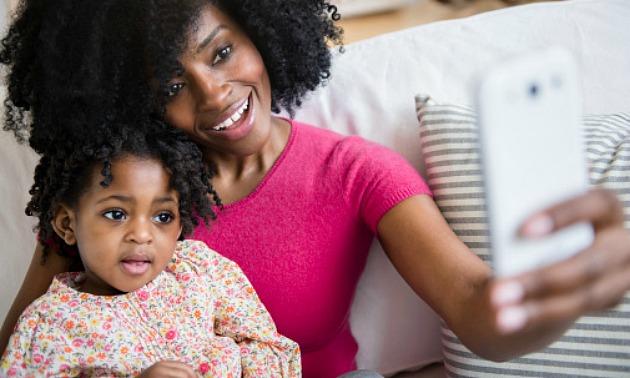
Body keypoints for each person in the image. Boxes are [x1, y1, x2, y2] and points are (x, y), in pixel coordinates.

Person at [1, 0, 629, 377]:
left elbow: (477, 307)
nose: (214, 92)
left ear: (259, 29)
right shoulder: (113, 198)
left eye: (220, 54)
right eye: (170, 86)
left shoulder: (355, 171)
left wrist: (553, 297)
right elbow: (22, 352)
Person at [0, 123, 300, 377]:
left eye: (163, 217)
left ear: (180, 226)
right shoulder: (49, 324)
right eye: (116, 214)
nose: (142, 235)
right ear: (67, 224)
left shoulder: (200, 270)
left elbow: (270, 348)